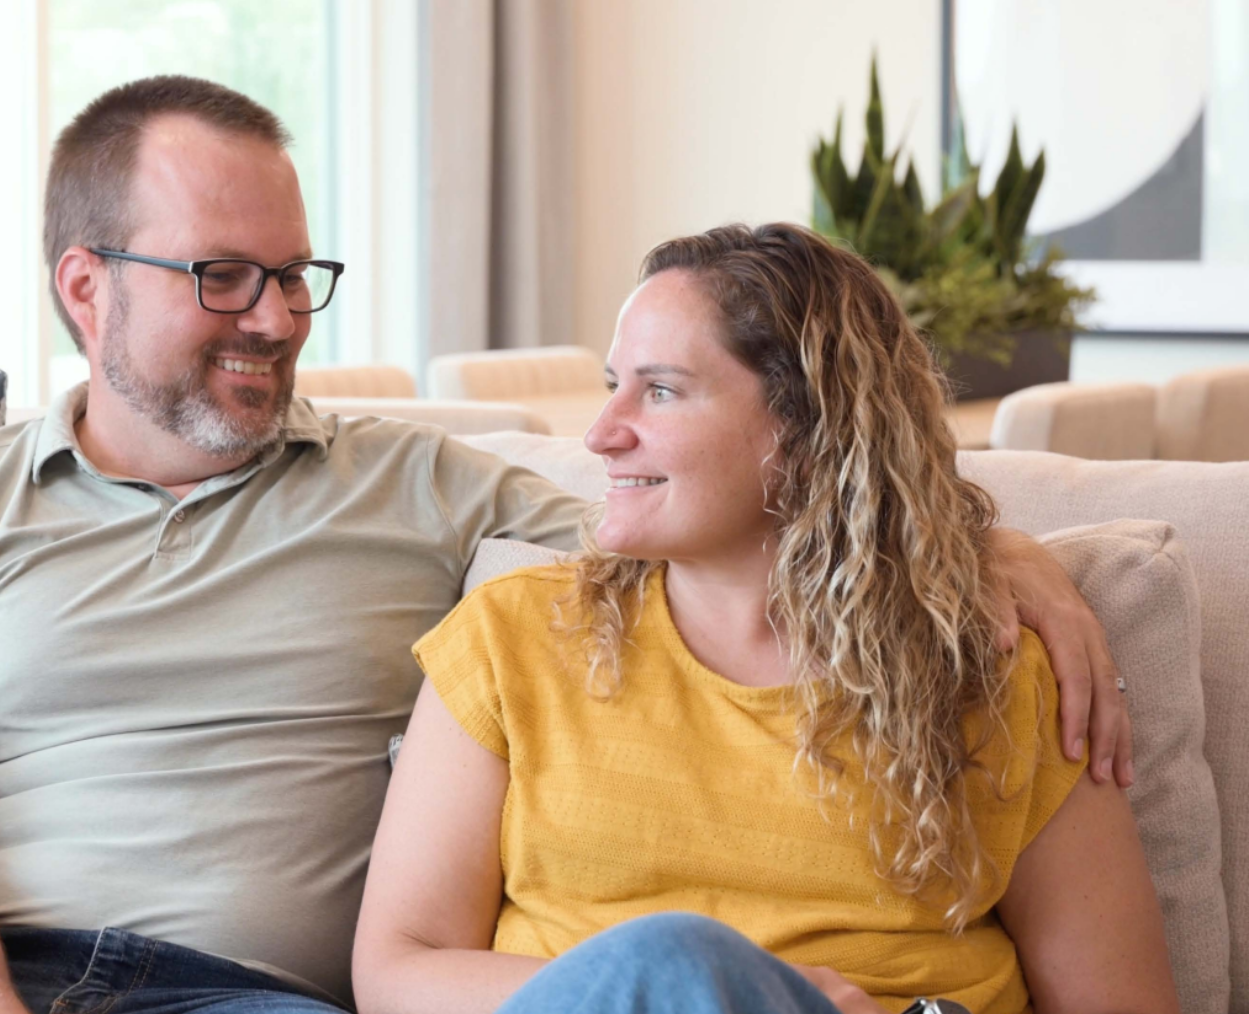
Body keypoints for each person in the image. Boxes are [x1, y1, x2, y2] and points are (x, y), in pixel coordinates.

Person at [0, 79, 1132, 1014]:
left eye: (294, 274)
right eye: (222, 277)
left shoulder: (428, 494)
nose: (276, 317)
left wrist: (1006, 548)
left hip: (246, 999)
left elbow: (748, 516)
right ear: (86, 286)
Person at [350, 223, 1174, 1014]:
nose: (601, 434)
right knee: (669, 957)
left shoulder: (993, 669)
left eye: (661, 390)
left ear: (808, 427)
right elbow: (398, 970)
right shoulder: (513, 638)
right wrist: (680, 996)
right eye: (613, 387)